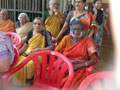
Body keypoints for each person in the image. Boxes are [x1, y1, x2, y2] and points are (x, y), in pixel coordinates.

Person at [55, 21, 98, 89]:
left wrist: (76, 66)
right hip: (64, 64)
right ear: (71, 30)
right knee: (50, 76)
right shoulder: (66, 38)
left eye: (79, 29)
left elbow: (94, 60)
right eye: (74, 29)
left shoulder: (87, 41)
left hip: (80, 67)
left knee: (72, 83)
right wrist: (63, 64)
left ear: (83, 31)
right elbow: (56, 52)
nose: (76, 31)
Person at [13, 17, 54, 86]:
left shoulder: (46, 33)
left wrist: (39, 50)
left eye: (39, 24)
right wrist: (16, 53)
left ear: (43, 25)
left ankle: (29, 82)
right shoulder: (30, 32)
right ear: (33, 25)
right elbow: (26, 45)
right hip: (28, 53)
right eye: (35, 24)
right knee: (18, 62)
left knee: (29, 64)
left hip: (40, 55)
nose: (36, 25)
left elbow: (51, 47)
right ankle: (18, 83)